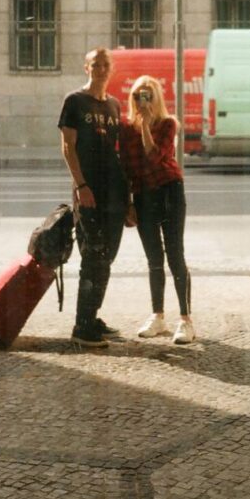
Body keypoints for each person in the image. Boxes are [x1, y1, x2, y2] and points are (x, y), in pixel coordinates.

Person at [58, 47, 129, 348]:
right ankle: (82, 326)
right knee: (93, 256)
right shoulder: (74, 101)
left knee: (106, 258)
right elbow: (67, 147)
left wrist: (129, 202)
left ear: (112, 70)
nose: (101, 69)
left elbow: (118, 154)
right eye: (95, 64)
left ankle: (93, 315)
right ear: (86, 68)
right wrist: (81, 185)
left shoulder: (114, 105)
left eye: (106, 64)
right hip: (88, 192)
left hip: (114, 193)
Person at [121, 76, 194, 345]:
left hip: (168, 191)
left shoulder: (168, 124)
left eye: (149, 96)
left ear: (157, 99)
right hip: (143, 195)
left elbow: (154, 156)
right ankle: (158, 315)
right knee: (153, 257)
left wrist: (145, 126)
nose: (143, 101)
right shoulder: (125, 129)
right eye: (139, 96)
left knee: (175, 254)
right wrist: (129, 203)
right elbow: (126, 169)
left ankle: (186, 320)